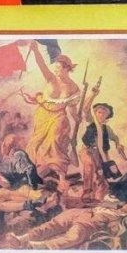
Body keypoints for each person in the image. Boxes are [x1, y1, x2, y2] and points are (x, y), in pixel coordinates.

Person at [22, 42, 79, 170]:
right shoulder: (51, 78)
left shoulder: (73, 87)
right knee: (35, 143)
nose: (55, 70)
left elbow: (72, 107)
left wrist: (76, 118)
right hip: (43, 114)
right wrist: (36, 50)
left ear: (67, 69)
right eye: (55, 67)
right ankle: (36, 168)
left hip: (59, 116)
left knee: (54, 139)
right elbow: (41, 64)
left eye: (58, 68)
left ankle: (57, 168)